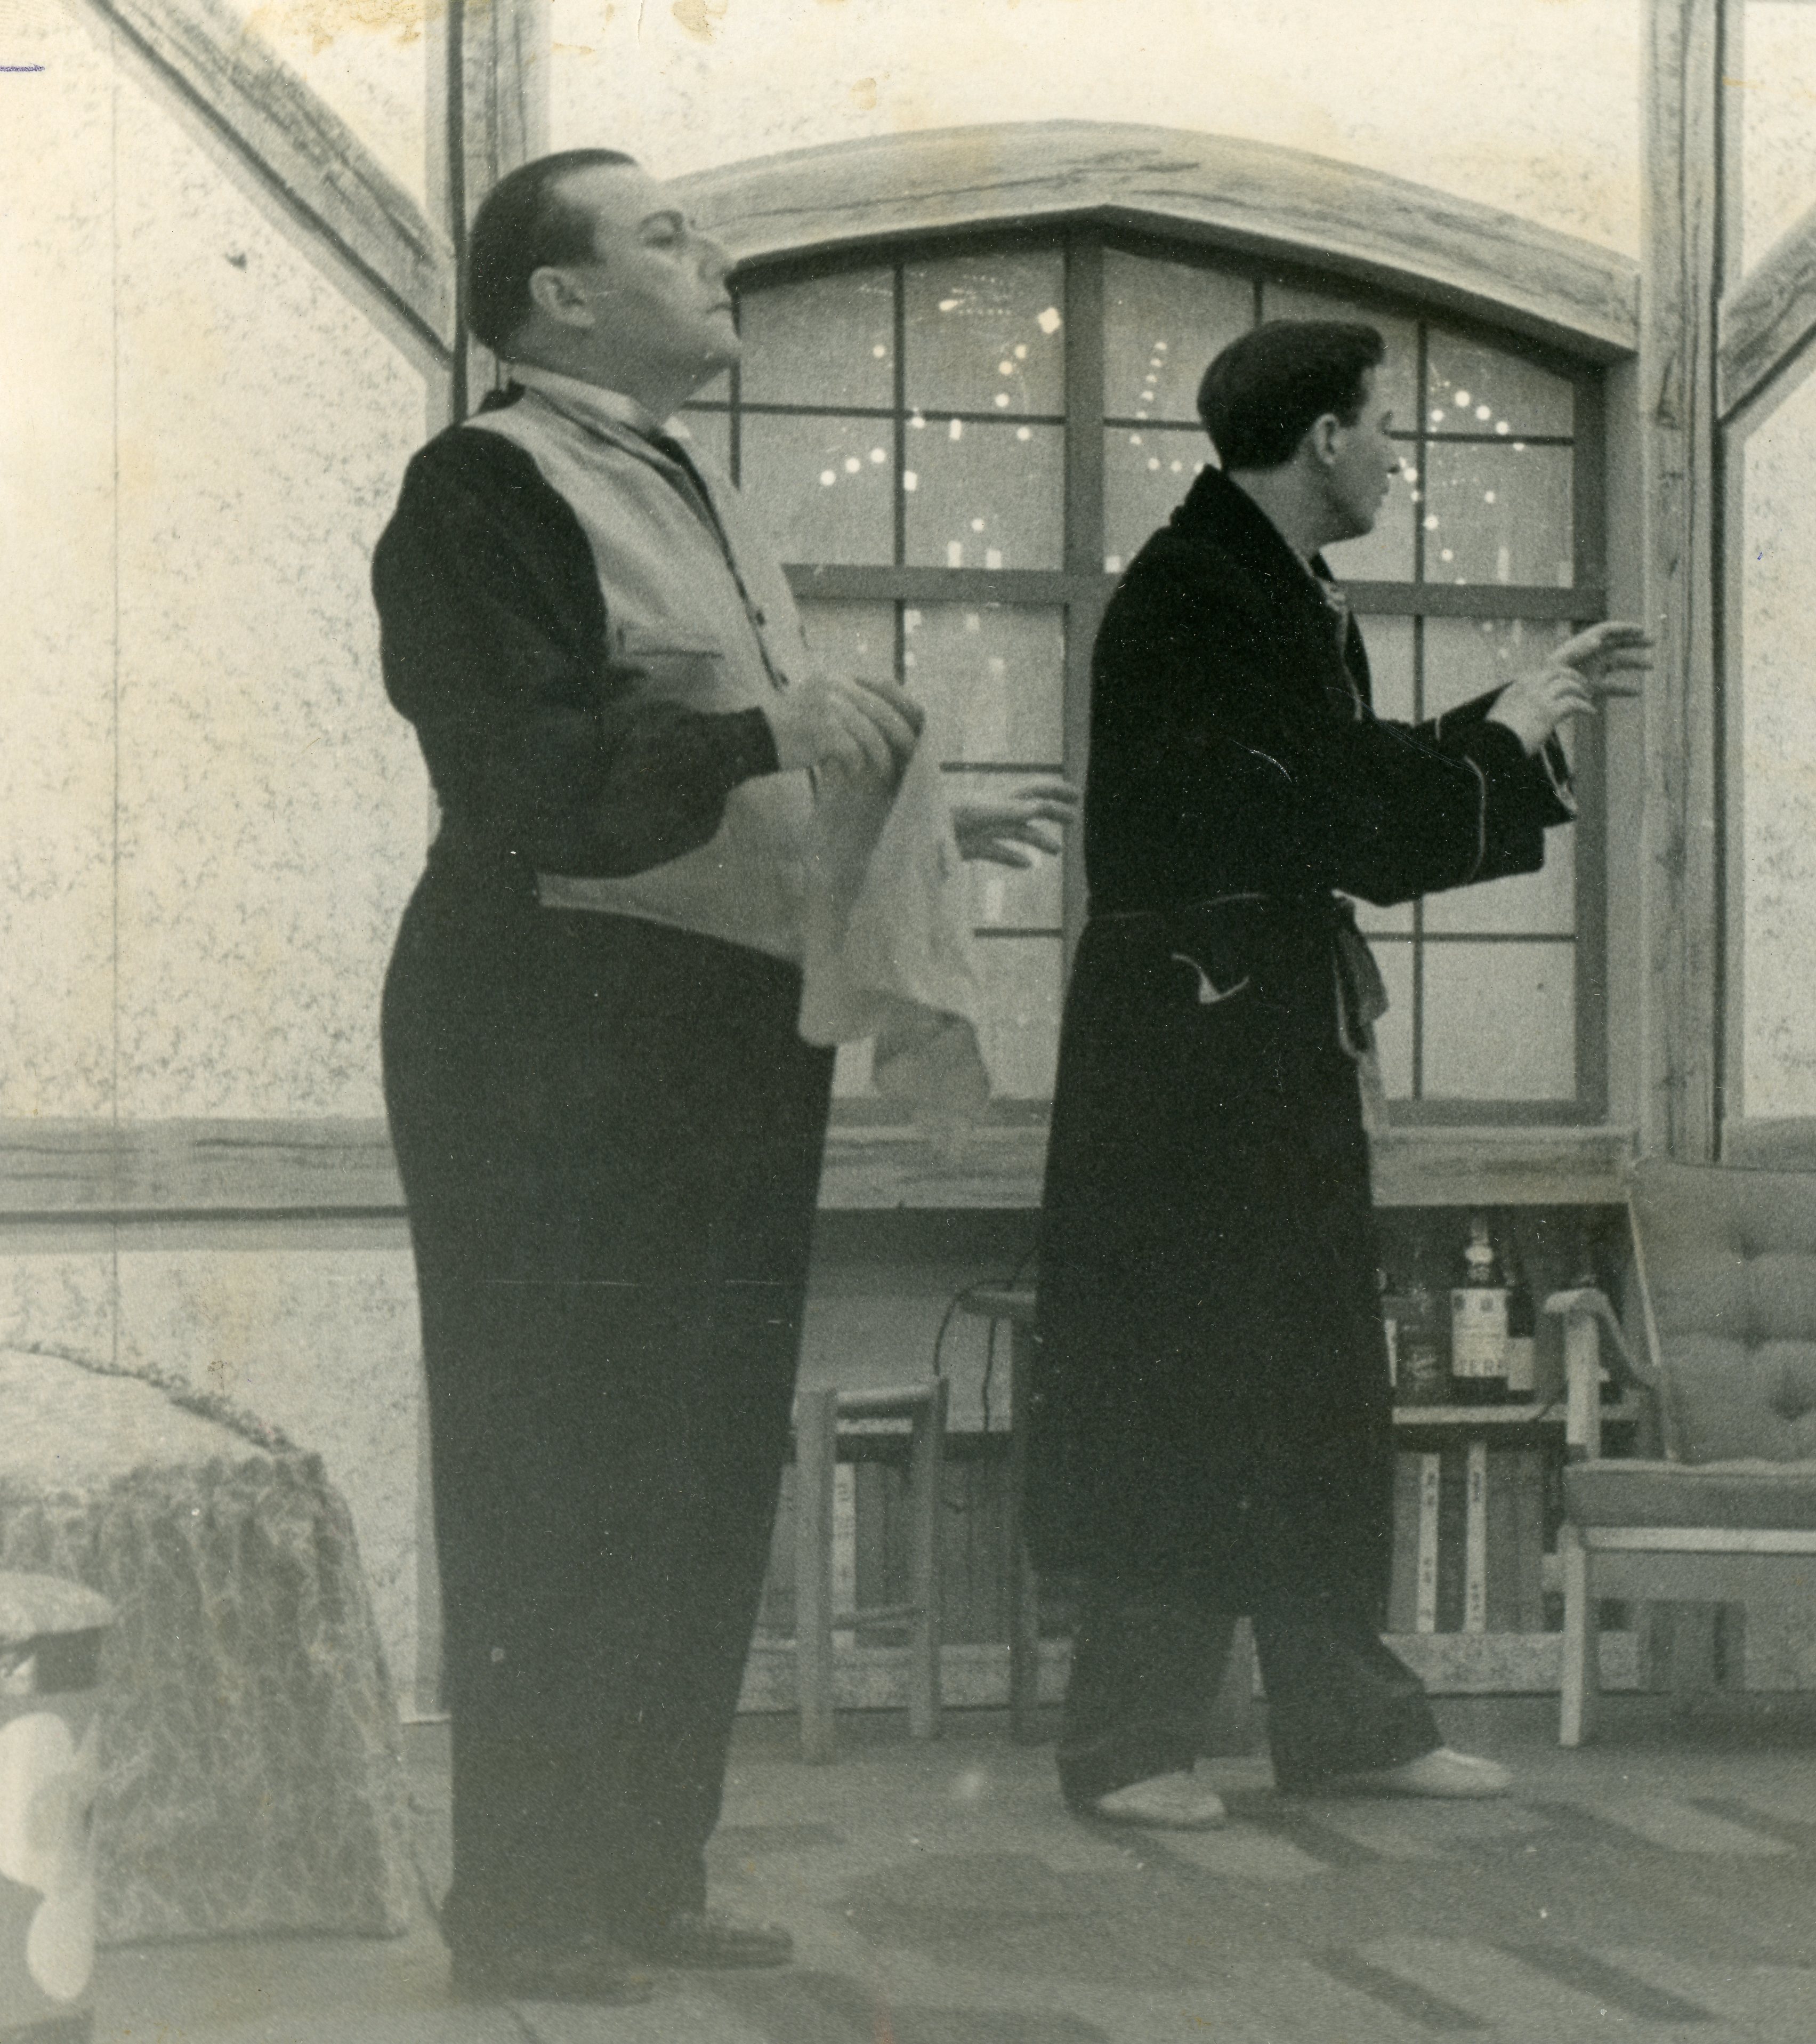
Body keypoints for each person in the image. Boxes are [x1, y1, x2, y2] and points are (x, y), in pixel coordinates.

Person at [374, 149, 1072, 2003]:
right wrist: (770, 728)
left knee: (696, 1456)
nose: (720, 257)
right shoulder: (482, 487)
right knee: (554, 1454)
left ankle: (640, 1873)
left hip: (717, 1025)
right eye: (669, 236)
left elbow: (728, 770)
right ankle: (527, 1903)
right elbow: (530, 776)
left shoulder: (694, 488)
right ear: (557, 298)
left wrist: (921, 816)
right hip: (548, 1021)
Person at [1026, 320, 1650, 1829]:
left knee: (1307, 1370)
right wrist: (1503, 737)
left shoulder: (1272, 585)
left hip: (1256, 1025)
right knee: (1187, 1371)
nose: (1394, 457)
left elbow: (1327, 785)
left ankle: (1348, 1724)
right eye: (1383, 426)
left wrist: (1511, 718)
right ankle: (1129, 1743)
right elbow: (1326, 813)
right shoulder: (1195, 590)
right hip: (1190, 1038)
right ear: (1320, 438)